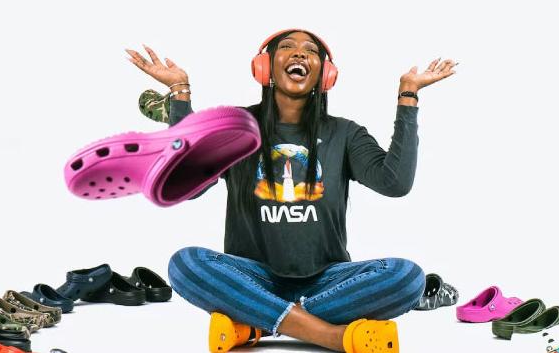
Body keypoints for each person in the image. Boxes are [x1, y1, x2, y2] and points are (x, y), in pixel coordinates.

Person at [125, 29, 457, 352]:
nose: (300, 53)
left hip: (327, 280)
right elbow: (187, 185)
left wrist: (408, 94)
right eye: (287, 46)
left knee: (407, 277)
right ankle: (329, 335)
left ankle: (256, 320)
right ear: (264, 67)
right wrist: (180, 95)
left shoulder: (346, 134)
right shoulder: (235, 126)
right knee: (185, 264)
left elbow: (395, 183)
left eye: (311, 51)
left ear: (325, 75)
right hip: (252, 278)